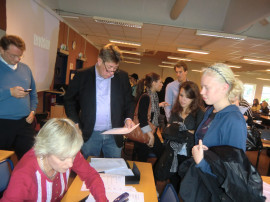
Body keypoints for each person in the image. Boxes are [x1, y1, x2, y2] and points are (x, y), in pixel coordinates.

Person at [1, 118, 107, 201]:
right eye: (62, 158)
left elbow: (91, 176)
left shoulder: (68, 151)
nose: (70, 164)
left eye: (73, 156)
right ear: (46, 150)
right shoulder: (24, 174)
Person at [64, 43, 135, 159]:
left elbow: (129, 101)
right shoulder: (82, 75)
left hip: (114, 134)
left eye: (115, 69)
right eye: (109, 68)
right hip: (90, 133)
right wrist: (75, 122)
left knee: (114, 169)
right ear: (99, 61)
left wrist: (128, 118)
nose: (112, 73)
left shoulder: (122, 77)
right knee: (89, 168)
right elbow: (69, 100)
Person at [191, 63, 247, 175]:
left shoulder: (234, 121)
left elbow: (234, 170)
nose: (202, 92)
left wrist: (201, 162)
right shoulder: (210, 111)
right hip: (199, 177)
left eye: (207, 87)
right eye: (202, 87)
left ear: (224, 88)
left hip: (213, 187)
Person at [155, 81, 205, 193]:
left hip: (189, 155)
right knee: (173, 183)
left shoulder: (199, 113)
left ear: (194, 98)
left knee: (185, 187)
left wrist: (178, 130)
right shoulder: (176, 111)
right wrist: (187, 132)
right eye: (181, 95)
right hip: (173, 154)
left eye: (187, 97)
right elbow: (168, 131)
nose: (183, 99)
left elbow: (199, 135)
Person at [0, 35, 38, 159]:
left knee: (30, 159)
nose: (17, 59)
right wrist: (9, 92)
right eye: (13, 55)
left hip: (24, 123)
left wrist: (33, 110)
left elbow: (33, 94)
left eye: (20, 55)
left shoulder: (25, 69)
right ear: (1, 50)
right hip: (2, 124)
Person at [133, 72, 168, 162]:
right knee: (143, 159)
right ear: (153, 83)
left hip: (151, 131)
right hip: (145, 132)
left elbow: (150, 109)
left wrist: (159, 105)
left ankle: (151, 174)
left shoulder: (154, 96)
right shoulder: (146, 97)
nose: (162, 84)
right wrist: (151, 136)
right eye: (160, 82)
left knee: (157, 155)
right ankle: (146, 175)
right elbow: (143, 119)